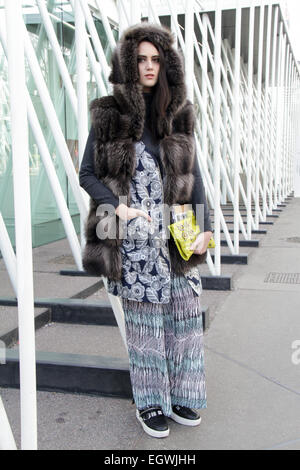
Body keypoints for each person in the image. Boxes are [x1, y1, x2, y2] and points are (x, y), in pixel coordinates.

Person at [79, 22, 213, 439]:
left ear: (166, 64)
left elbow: (195, 175)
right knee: (146, 327)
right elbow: (87, 174)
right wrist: (119, 207)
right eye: (141, 59)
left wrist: (205, 229)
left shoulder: (178, 113)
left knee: (184, 319)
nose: (148, 66)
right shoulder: (109, 113)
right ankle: (150, 401)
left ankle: (183, 394)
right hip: (135, 238)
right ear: (128, 64)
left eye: (156, 59)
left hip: (178, 231)